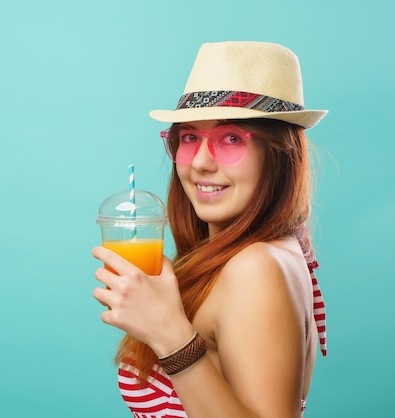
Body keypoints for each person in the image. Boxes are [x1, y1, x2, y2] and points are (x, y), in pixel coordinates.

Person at [92, 41, 328, 418]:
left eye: (231, 138)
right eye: (189, 137)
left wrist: (170, 335)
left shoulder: (256, 267)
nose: (200, 162)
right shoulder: (264, 251)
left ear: (281, 152)